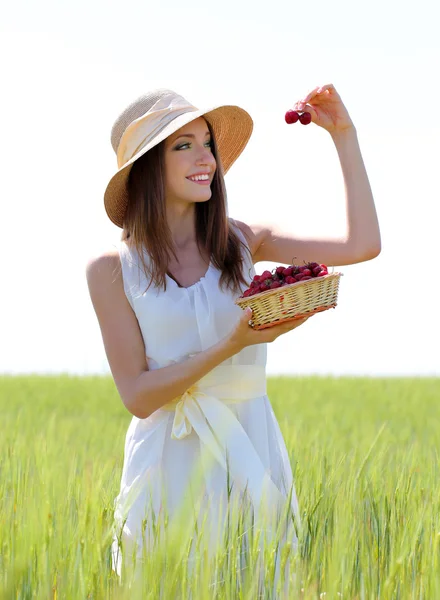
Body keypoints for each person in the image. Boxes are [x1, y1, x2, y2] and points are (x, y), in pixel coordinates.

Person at [85, 86, 381, 596]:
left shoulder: (244, 240)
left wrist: (344, 137)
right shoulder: (113, 269)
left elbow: (363, 245)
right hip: (167, 461)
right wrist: (234, 342)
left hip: (251, 445)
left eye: (208, 144)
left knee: (260, 579)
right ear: (148, 168)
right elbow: (137, 395)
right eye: (184, 146)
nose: (206, 159)